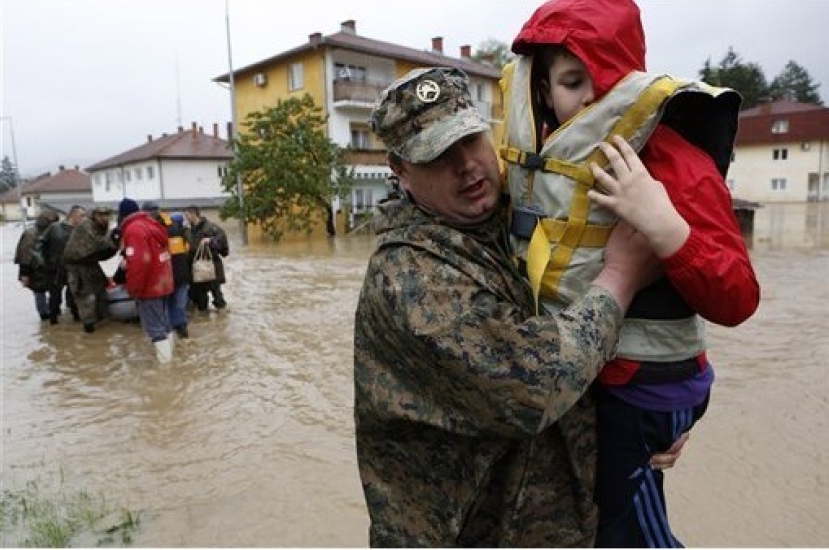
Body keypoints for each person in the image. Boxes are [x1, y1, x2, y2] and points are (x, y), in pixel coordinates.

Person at [354, 66, 689, 547]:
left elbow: (584, 324)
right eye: (438, 155)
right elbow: (538, 385)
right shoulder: (407, 276)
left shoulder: (519, 219)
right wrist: (621, 277)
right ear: (400, 170)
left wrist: (651, 415)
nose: (466, 165)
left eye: (469, 140)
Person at [503, 0, 761, 546]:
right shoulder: (534, 161)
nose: (591, 96)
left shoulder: (675, 165)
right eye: (573, 82)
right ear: (543, 91)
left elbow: (739, 297)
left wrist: (667, 228)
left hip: (643, 391)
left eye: (607, 80)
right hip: (587, 383)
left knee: (624, 536)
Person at [118, 198, 176, 362]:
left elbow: (139, 263)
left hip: (150, 287)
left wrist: (134, 290)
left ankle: (165, 367)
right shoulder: (152, 224)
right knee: (165, 324)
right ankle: (172, 359)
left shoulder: (133, 230)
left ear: (122, 215)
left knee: (155, 329)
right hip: (164, 282)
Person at [63, 205, 119, 333]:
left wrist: (114, 242)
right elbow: (100, 244)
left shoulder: (101, 226)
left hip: (90, 262)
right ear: (95, 215)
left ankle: (103, 327)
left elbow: (104, 252)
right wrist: (115, 238)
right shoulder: (86, 225)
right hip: (77, 266)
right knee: (86, 297)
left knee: (101, 292)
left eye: (107, 215)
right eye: (101, 215)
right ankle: (89, 327)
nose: (105, 218)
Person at [35, 204, 86, 324]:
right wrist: (44, 263)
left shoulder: (80, 231)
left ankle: (76, 318)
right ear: (74, 215)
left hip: (73, 268)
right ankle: (53, 322)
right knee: (55, 296)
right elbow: (38, 246)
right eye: (82, 215)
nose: (84, 218)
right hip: (55, 268)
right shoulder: (54, 228)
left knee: (74, 294)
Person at [14, 210, 59, 320]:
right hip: (35, 269)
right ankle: (44, 314)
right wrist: (25, 273)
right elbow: (25, 254)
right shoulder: (31, 233)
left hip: (48, 268)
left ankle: (50, 312)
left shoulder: (51, 232)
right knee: (40, 292)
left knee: (47, 291)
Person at [184, 205, 229, 312]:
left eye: (187, 215)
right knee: (201, 302)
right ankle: (204, 317)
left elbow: (223, 245)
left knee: (217, 297)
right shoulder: (188, 232)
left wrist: (211, 241)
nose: (186, 218)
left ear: (193, 214)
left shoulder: (211, 227)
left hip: (211, 267)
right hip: (196, 270)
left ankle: (222, 317)